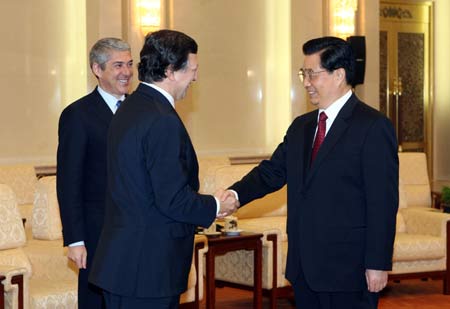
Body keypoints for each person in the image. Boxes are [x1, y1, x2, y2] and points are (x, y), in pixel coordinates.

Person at [217, 36, 399, 309]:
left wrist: (378, 263)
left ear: (339, 75)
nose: (305, 83)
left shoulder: (373, 126)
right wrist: (234, 195)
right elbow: (272, 171)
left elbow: (382, 202)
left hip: (349, 270)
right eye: (304, 74)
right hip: (304, 268)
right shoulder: (301, 127)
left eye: (312, 74)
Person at [88, 29, 238, 308]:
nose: (195, 78)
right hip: (148, 268)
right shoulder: (161, 119)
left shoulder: (130, 107)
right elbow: (172, 199)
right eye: (192, 70)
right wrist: (216, 205)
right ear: (170, 70)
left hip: (125, 264)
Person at [57, 37, 133, 308]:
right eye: (118, 65)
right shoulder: (78, 115)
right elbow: (69, 182)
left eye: (129, 64)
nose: (126, 72)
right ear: (97, 69)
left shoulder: (141, 110)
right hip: (96, 232)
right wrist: (75, 239)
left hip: (136, 230)